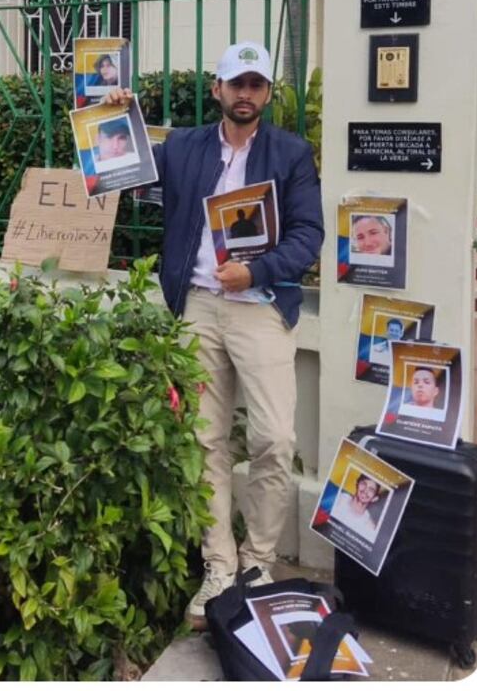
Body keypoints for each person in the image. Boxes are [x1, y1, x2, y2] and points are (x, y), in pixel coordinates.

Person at [103, 40, 323, 630]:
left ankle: (257, 563)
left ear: (267, 93)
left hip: (259, 306)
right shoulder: (185, 147)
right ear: (217, 90)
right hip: (197, 307)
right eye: (236, 84)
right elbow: (124, 171)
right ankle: (219, 566)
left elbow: (308, 235)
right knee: (205, 443)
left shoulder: (292, 153)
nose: (245, 94)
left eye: (256, 85)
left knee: (274, 440)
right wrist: (118, 113)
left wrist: (258, 270)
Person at [331, 475, 384, 540]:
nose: (365, 491)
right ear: (356, 484)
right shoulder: (338, 498)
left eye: (371, 490)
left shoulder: (369, 527)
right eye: (363, 484)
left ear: (375, 498)